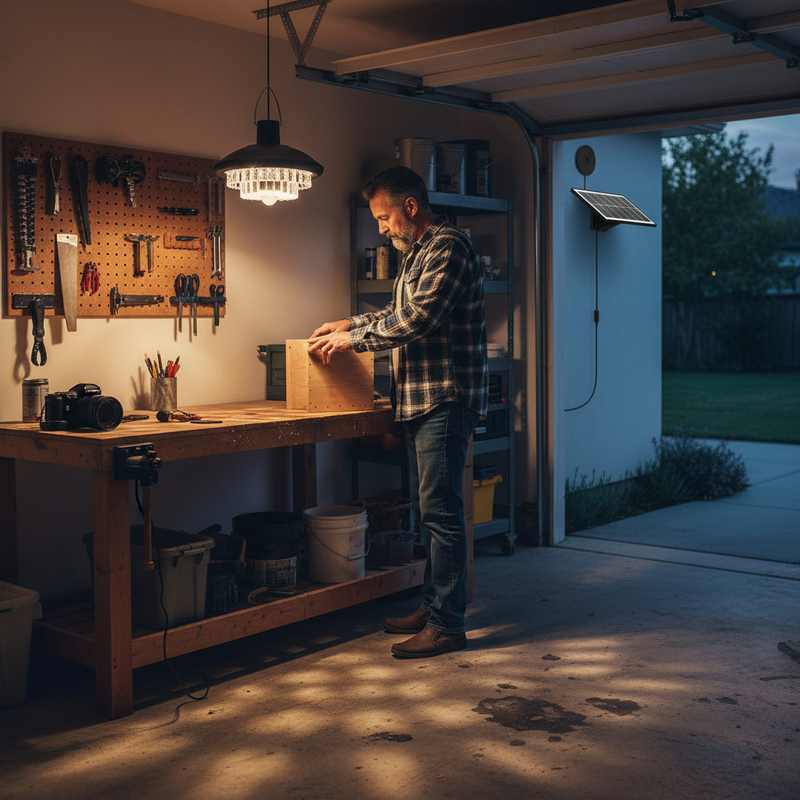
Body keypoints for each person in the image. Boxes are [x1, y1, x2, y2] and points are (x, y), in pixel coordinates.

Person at [308, 165, 488, 659]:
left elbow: (419, 319)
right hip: (419, 401)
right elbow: (394, 314)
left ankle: (448, 625)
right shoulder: (415, 255)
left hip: (444, 398)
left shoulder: (449, 246)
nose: (381, 229)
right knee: (431, 514)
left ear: (410, 207)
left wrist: (353, 338)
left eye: (385, 218)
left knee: (441, 514)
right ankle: (434, 608)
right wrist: (353, 321)